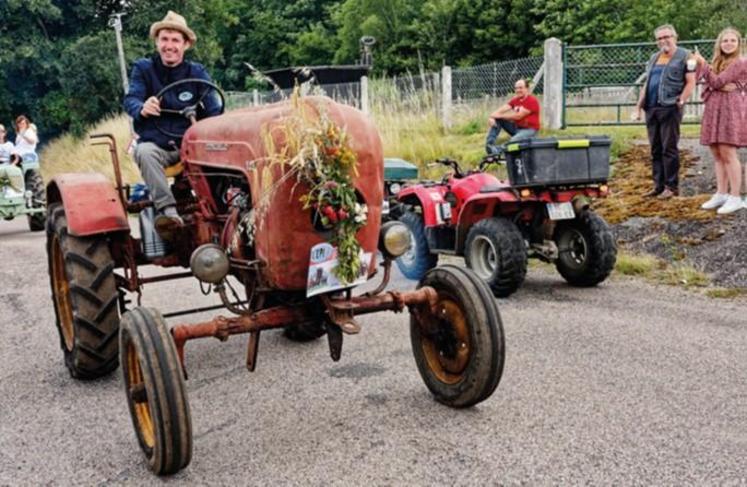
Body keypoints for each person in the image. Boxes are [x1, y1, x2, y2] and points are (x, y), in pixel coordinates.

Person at [123, 11, 221, 239]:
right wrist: (142, 107)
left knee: (222, 150)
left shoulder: (196, 72)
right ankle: (169, 212)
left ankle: (223, 209)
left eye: (175, 40)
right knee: (144, 151)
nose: (169, 45)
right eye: (164, 39)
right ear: (157, 42)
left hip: (192, 146)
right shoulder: (144, 69)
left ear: (185, 45)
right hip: (159, 146)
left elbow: (214, 110)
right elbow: (131, 100)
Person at [634, 24, 697, 199]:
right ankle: (658, 185)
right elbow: (647, 84)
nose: (663, 40)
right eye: (659, 38)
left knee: (669, 148)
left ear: (675, 37)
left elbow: (691, 81)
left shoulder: (685, 56)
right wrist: (638, 107)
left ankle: (672, 186)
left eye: (666, 36)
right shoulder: (654, 57)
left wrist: (682, 99)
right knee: (655, 149)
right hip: (651, 107)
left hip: (670, 107)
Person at [693, 28, 746, 214]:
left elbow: (715, 82)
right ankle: (721, 193)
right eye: (725, 40)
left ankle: (735, 197)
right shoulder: (718, 61)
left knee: (728, 151)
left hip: (731, 108)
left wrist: (704, 65)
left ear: (739, 44)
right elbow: (710, 81)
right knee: (716, 152)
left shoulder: (740, 62)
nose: (729, 43)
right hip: (714, 107)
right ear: (719, 43)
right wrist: (704, 68)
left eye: (733, 40)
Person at [485, 79, 541, 155]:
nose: (518, 90)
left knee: (513, 141)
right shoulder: (515, 100)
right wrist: (492, 117)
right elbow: (500, 110)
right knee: (498, 119)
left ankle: (497, 151)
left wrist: (499, 116)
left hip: (529, 130)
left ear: (527, 89)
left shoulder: (532, 101)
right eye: (516, 88)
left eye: (520, 88)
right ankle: (489, 145)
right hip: (517, 128)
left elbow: (518, 116)